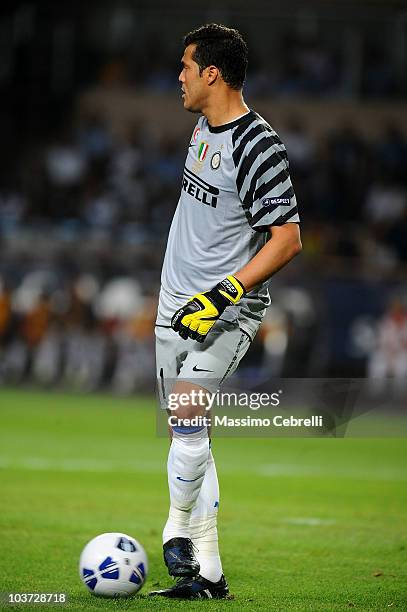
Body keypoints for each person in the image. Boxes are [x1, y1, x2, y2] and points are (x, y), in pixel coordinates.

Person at [151, 24, 302, 600]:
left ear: (211, 73)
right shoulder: (200, 128)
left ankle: (173, 529)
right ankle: (209, 578)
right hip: (172, 305)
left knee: (188, 412)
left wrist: (220, 295)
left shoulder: (258, 145)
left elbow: (286, 239)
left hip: (224, 313)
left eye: (186, 66)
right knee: (190, 433)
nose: (180, 76)